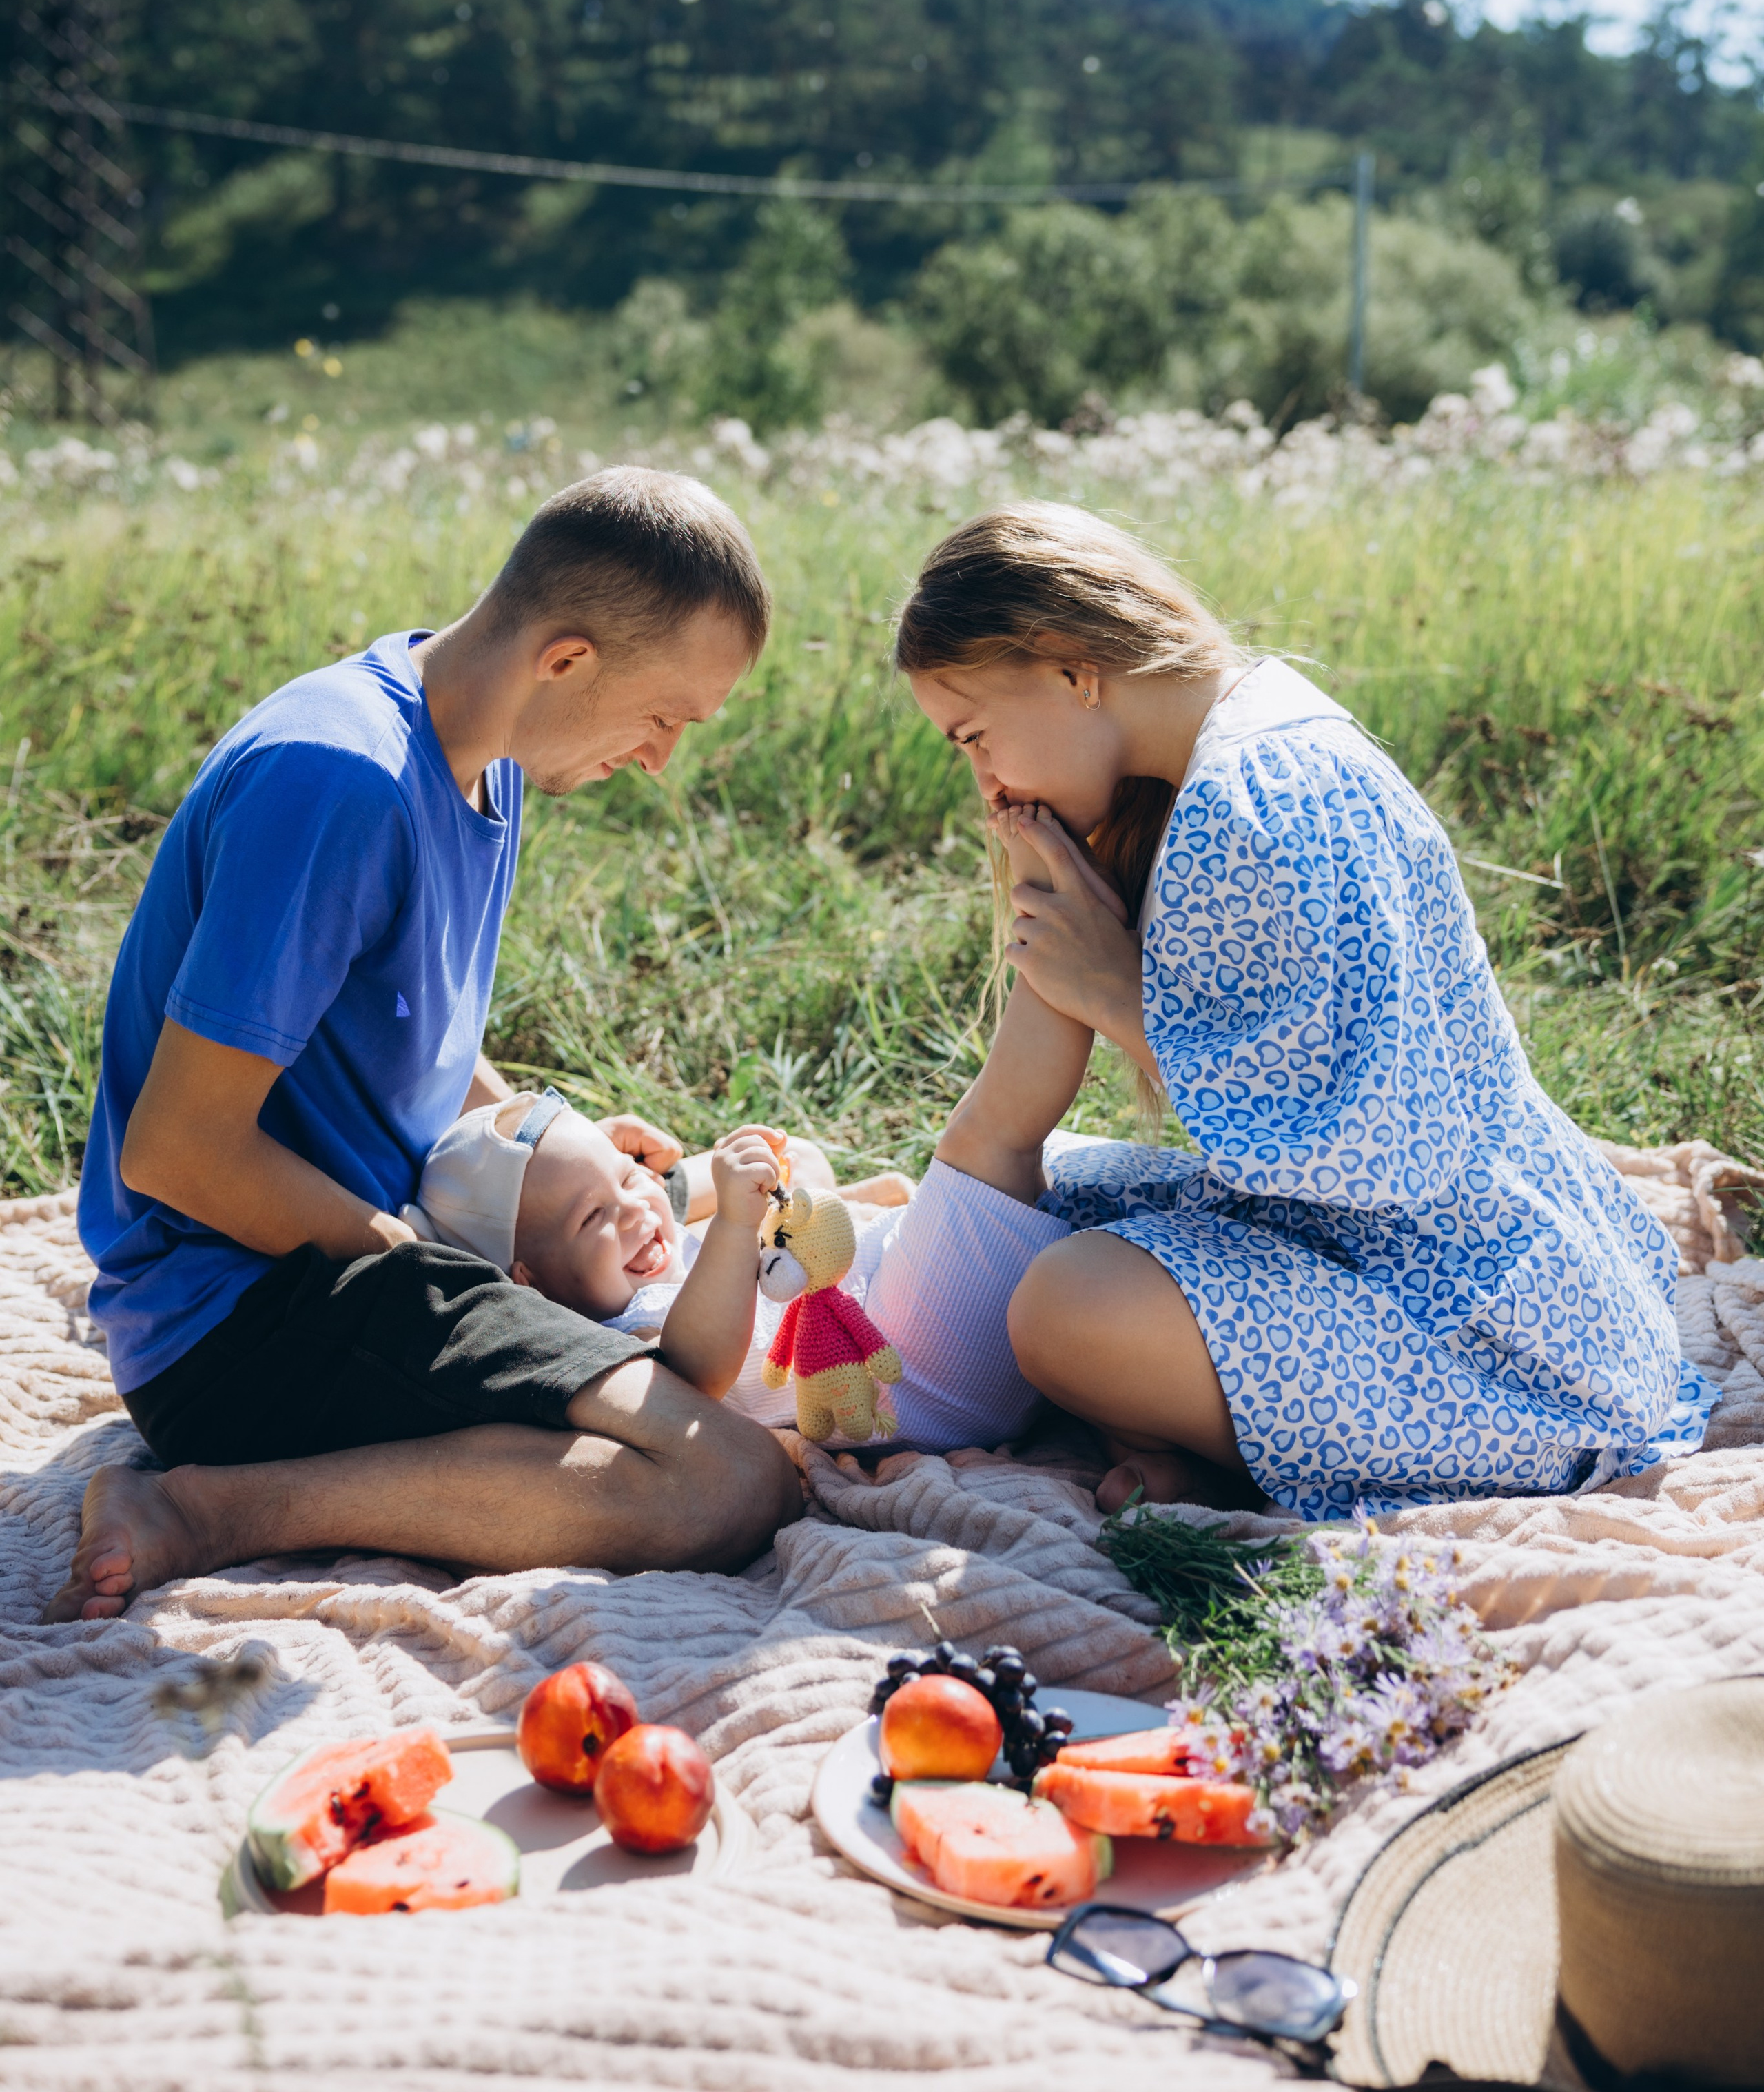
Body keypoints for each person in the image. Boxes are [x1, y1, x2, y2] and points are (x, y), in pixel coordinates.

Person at [44, 468, 802, 1623]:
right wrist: (439, 1271)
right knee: (727, 1480)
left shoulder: (478, 755)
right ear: (566, 661)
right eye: (665, 719)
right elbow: (179, 1151)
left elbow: (406, 1029)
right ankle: (207, 1511)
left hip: (343, 1268)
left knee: (683, 1347)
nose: (660, 760)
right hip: (241, 1322)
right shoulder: (339, 782)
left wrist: (546, 1135)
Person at [897, 500, 1713, 1519]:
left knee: (1064, 1307)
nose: (982, 780)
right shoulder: (1254, 745)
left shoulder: (1251, 797)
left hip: (1493, 1327)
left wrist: (1116, 992)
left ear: (1071, 665)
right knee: (1060, 1197)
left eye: (973, 736)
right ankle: (1219, 1445)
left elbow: (1371, 1142)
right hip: (1427, 1248)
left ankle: (1275, 1448)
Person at [404, 1087, 1066, 1450]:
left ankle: (1134, 1432)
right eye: (591, 1218)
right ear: (532, 1283)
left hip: (933, 1317)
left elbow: (803, 1175)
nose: (637, 1211)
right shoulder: (623, 1340)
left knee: (1070, 1176)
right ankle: (1061, 952)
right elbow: (701, 1367)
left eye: (630, 1176)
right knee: (990, 1134)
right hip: (917, 1368)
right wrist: (728, 1225)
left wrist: (765, 1167)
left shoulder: (667, 1254)